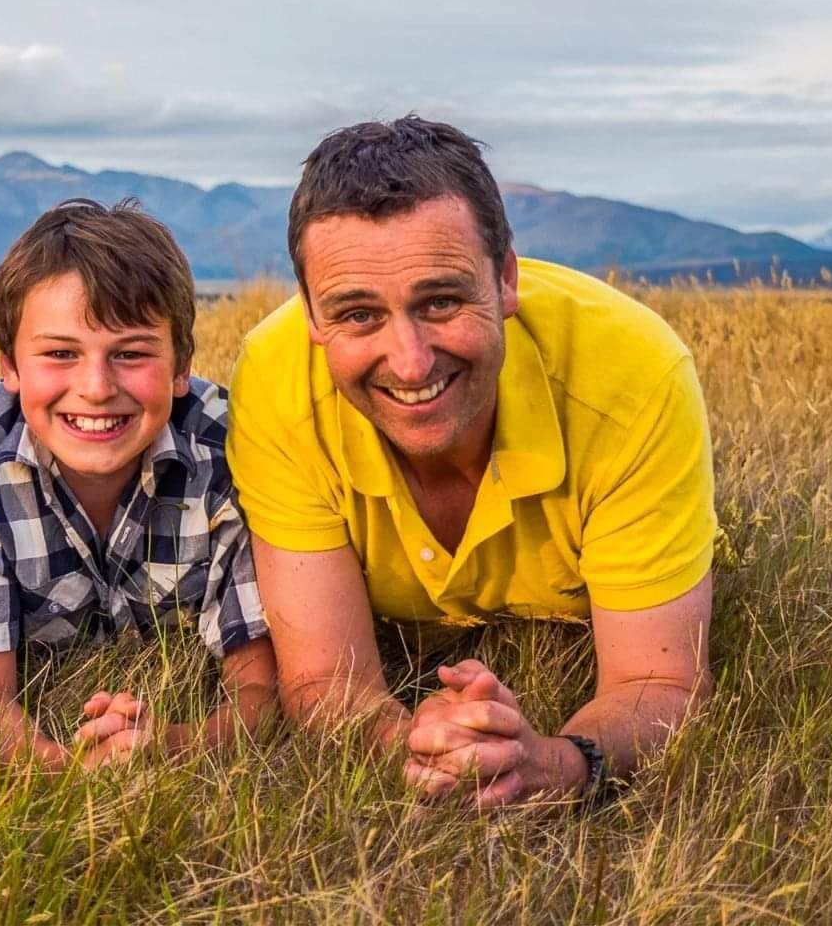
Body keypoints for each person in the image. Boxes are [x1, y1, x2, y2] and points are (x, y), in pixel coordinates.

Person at [228, 116, 716, 809]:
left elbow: (662, 684)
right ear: (309, 314)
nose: (410, 361)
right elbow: (324, 683)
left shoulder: (634, 374)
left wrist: (556, 764)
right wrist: (412, 750)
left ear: (506, 278)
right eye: (358, 315)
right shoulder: (276, 379)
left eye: (441, 301)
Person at [0, 200, 275, 769]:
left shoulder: (226, 453)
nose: (95, 387)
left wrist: (166, 747)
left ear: (181, 365)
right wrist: (66, 771)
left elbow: (259, 692)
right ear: (9, 368)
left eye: (131, 353)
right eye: (61, 354)